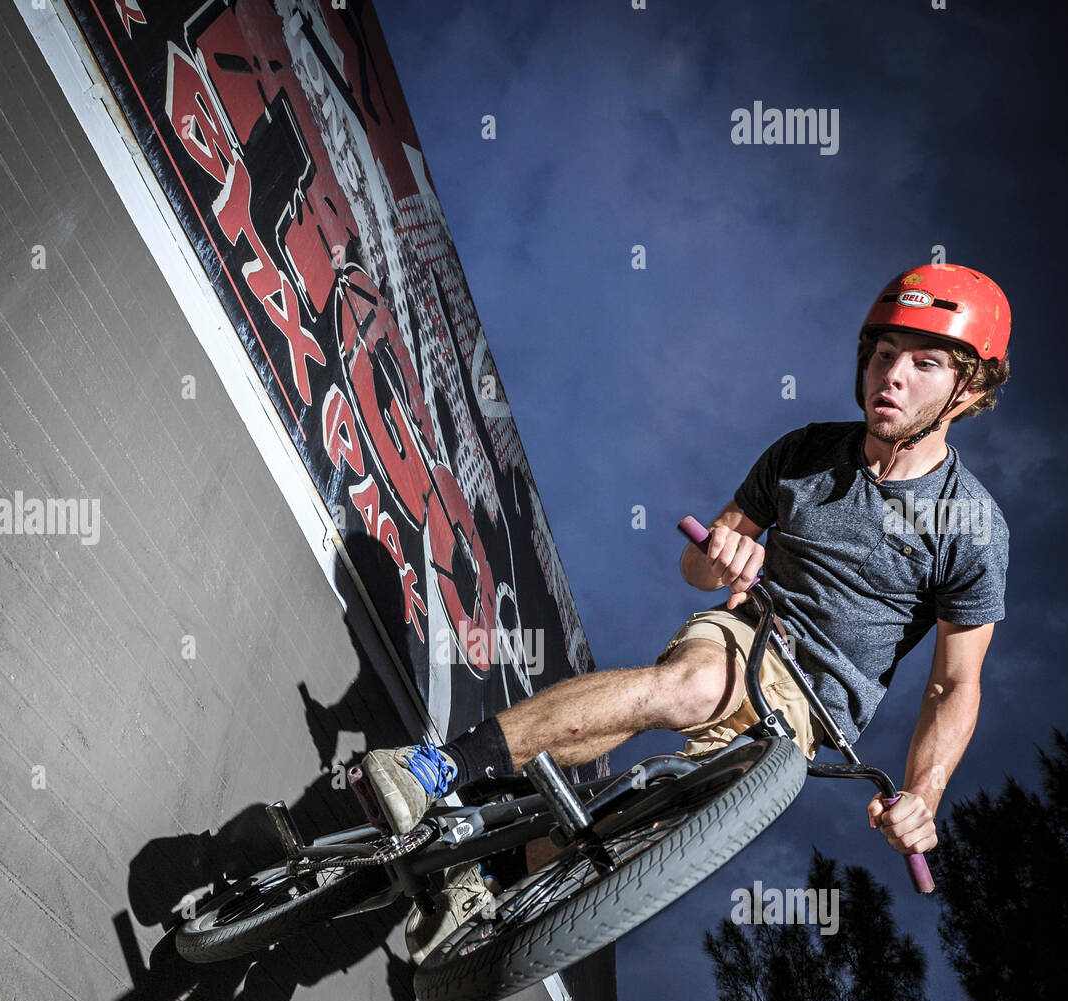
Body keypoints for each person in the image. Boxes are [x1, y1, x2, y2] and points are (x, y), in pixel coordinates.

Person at [364, 264, 1011, 961]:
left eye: (924, 364)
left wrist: (923, 793)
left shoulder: (970, 524)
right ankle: (433, 769)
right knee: (693, 687)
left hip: (811, 715)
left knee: (683, 814)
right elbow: (696, 566)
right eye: (883, 356)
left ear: (969, 390)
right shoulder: (806, 453)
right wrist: (725, 553)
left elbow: (954, 684)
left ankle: (492, 869)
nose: (892, 377)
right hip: (752, 633)